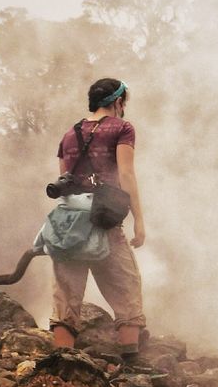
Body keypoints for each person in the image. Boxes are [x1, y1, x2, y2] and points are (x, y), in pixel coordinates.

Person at [49, 77, 147, 360]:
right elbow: (126, 174)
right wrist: (138, 220)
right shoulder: (122, 128)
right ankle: (132, 365)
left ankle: (60, 364)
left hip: (69, 219)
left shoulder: (69, 134)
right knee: (126, 286)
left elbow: (64, 178)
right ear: (118, 101)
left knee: (66, 293)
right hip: (103, 218)